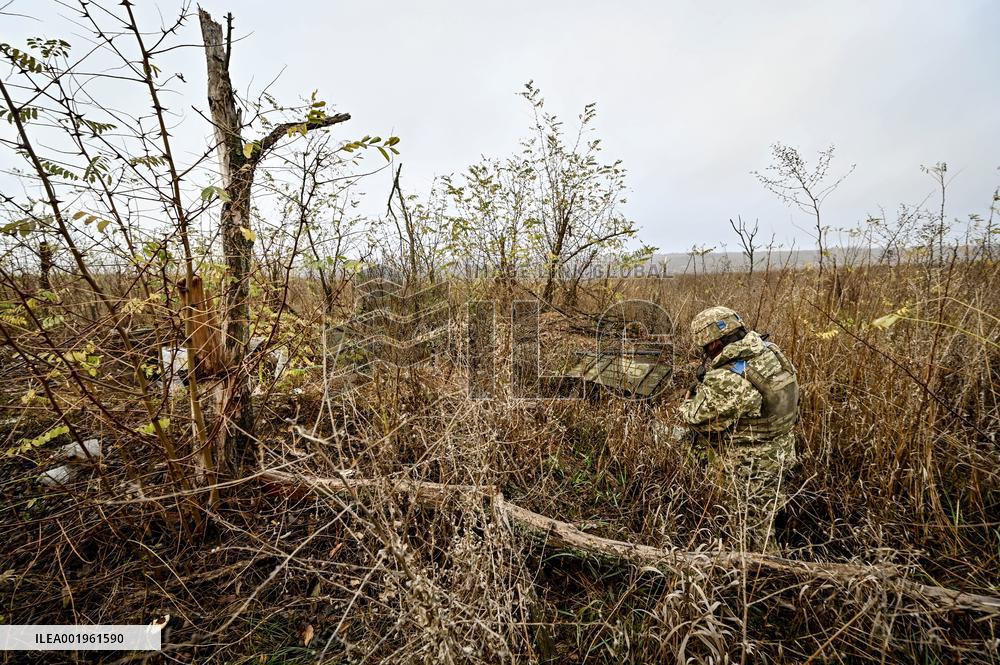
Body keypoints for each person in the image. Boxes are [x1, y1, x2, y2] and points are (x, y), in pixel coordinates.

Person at [678, 306, 799, 550]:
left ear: (713, 344)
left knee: (753, 538)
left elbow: (697, 418)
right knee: (772, 512)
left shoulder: (727, 376)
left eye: (705, 348)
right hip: (783, 451)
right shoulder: (771, 352)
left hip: (750, 467)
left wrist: (688, 401)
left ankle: (762, 579)